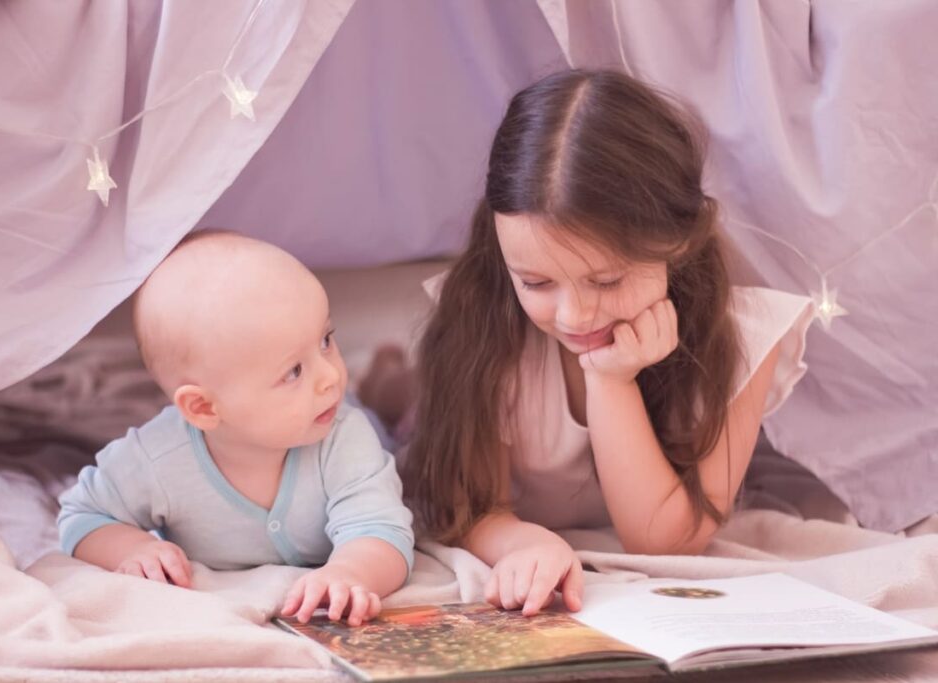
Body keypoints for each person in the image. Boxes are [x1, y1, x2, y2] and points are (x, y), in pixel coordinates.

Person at [361, 69, 814, 617]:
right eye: (536, 282)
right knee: (405, 410)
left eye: (607, 281)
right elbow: (469, 508)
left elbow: (664, 540)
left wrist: (610, 380)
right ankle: (385, 381)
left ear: (675, 243)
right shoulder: (485, 319)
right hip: (443, 393)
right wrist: (525, 541)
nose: (574, 316)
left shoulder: (744, 338)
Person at [58, 230, 414, 626]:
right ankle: (380, 376)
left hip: (363, 421)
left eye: (326, 340)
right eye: (293, 371)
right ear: (204, 407)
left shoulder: (344, 435)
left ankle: (384, 378)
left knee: (398, 416)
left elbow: (380, 529)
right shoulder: (156, 458)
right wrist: (130, 547)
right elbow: (83, 515)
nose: (330, 375)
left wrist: (350, 571)